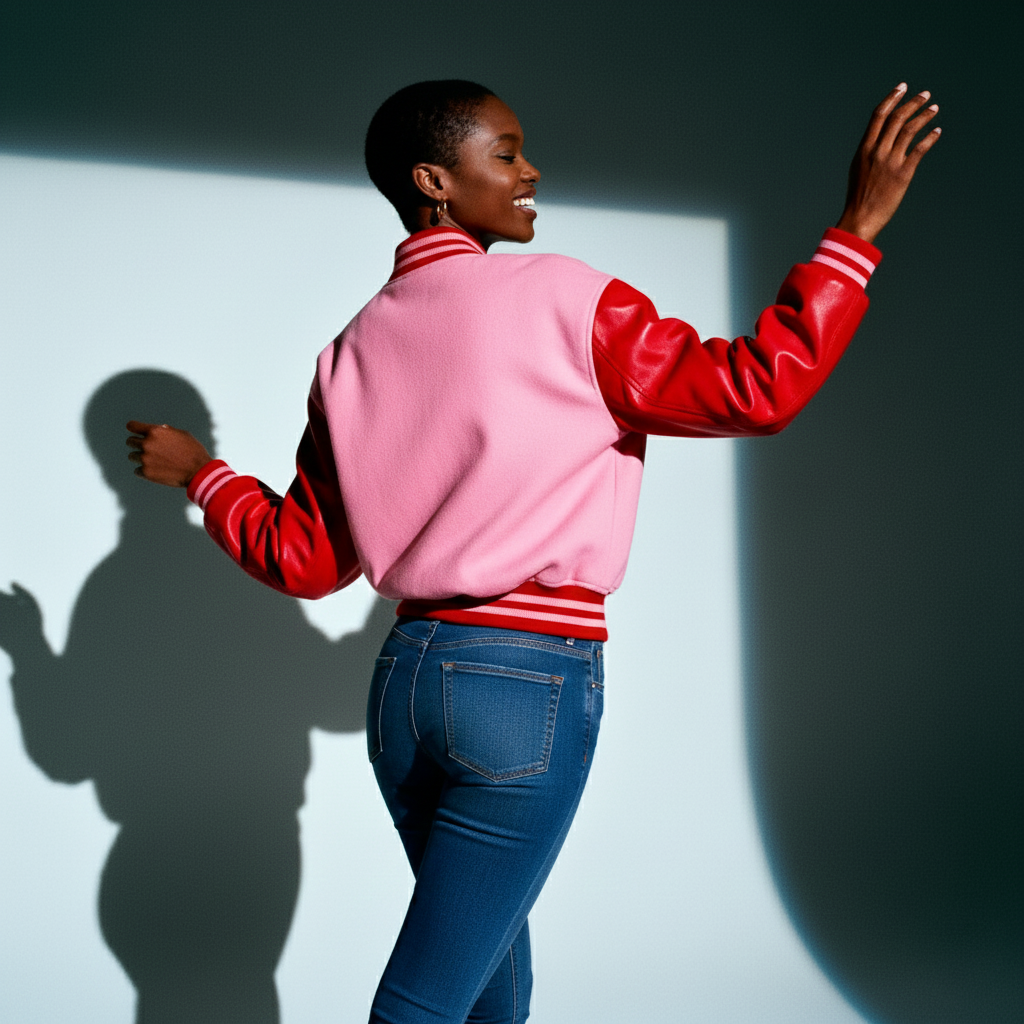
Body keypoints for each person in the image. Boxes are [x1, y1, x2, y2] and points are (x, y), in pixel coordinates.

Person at [126, 79, 939, 1023]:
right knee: (426, 1002)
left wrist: (204, 476)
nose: (531, 170)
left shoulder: (349, 352)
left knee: (491, 988)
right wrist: (855, 232)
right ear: (435, 179)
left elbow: (304, 558)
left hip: (405, 690)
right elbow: (754, 388)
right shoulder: (566, 297)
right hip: (526, 685)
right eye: (506, 153)